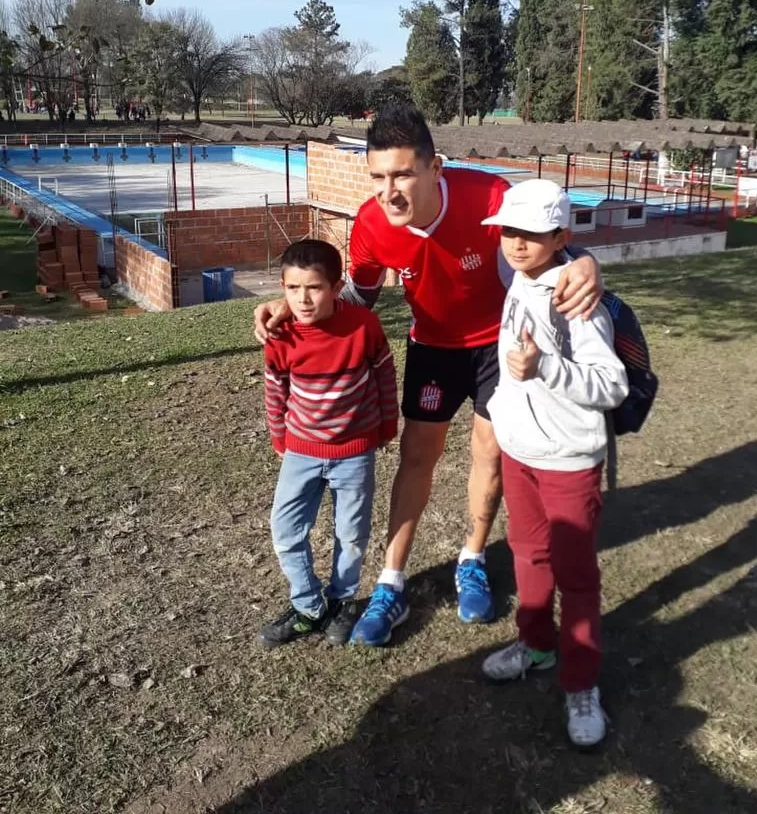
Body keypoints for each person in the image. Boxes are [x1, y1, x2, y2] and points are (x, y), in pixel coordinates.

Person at [253, 104, 602, 647]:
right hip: (433, 348)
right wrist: (292, 306)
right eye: (377, 177)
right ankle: (392, 583)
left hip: (499, 345)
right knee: (418, 456)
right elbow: (356, 301)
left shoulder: (487, 198)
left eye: (401, 174)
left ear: (434, 168)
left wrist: (584, 261)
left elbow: (547, 237)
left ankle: (472, 558)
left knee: (489, 453)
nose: (388, 190)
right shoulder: (371, 224)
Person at [479, 178, 628, 748]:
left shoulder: (576, 302)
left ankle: (581, 681)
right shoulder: (515, 274)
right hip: (521, 452)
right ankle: (536, 644)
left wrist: (545, 368)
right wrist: (587, 258)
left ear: (559, 235)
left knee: (576, 575)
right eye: (508, 232)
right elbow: (534, 260)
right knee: (527, 554)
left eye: (532, 234)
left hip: (568, 459)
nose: (516, 244)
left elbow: (611, 384)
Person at [258, 239, 399, 648]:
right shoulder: (280, 334)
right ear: (282, 288)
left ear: (337, 287)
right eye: (293, 288)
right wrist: (280, 438)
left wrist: (387, 426)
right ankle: (307, 607)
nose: (303, 299)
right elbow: (275, 389)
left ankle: (341, 601)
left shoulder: (363, 326)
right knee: (285, 530)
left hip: (354, 453)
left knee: (351, 533)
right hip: (300, 452)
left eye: (315, 288)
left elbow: (384, 377)